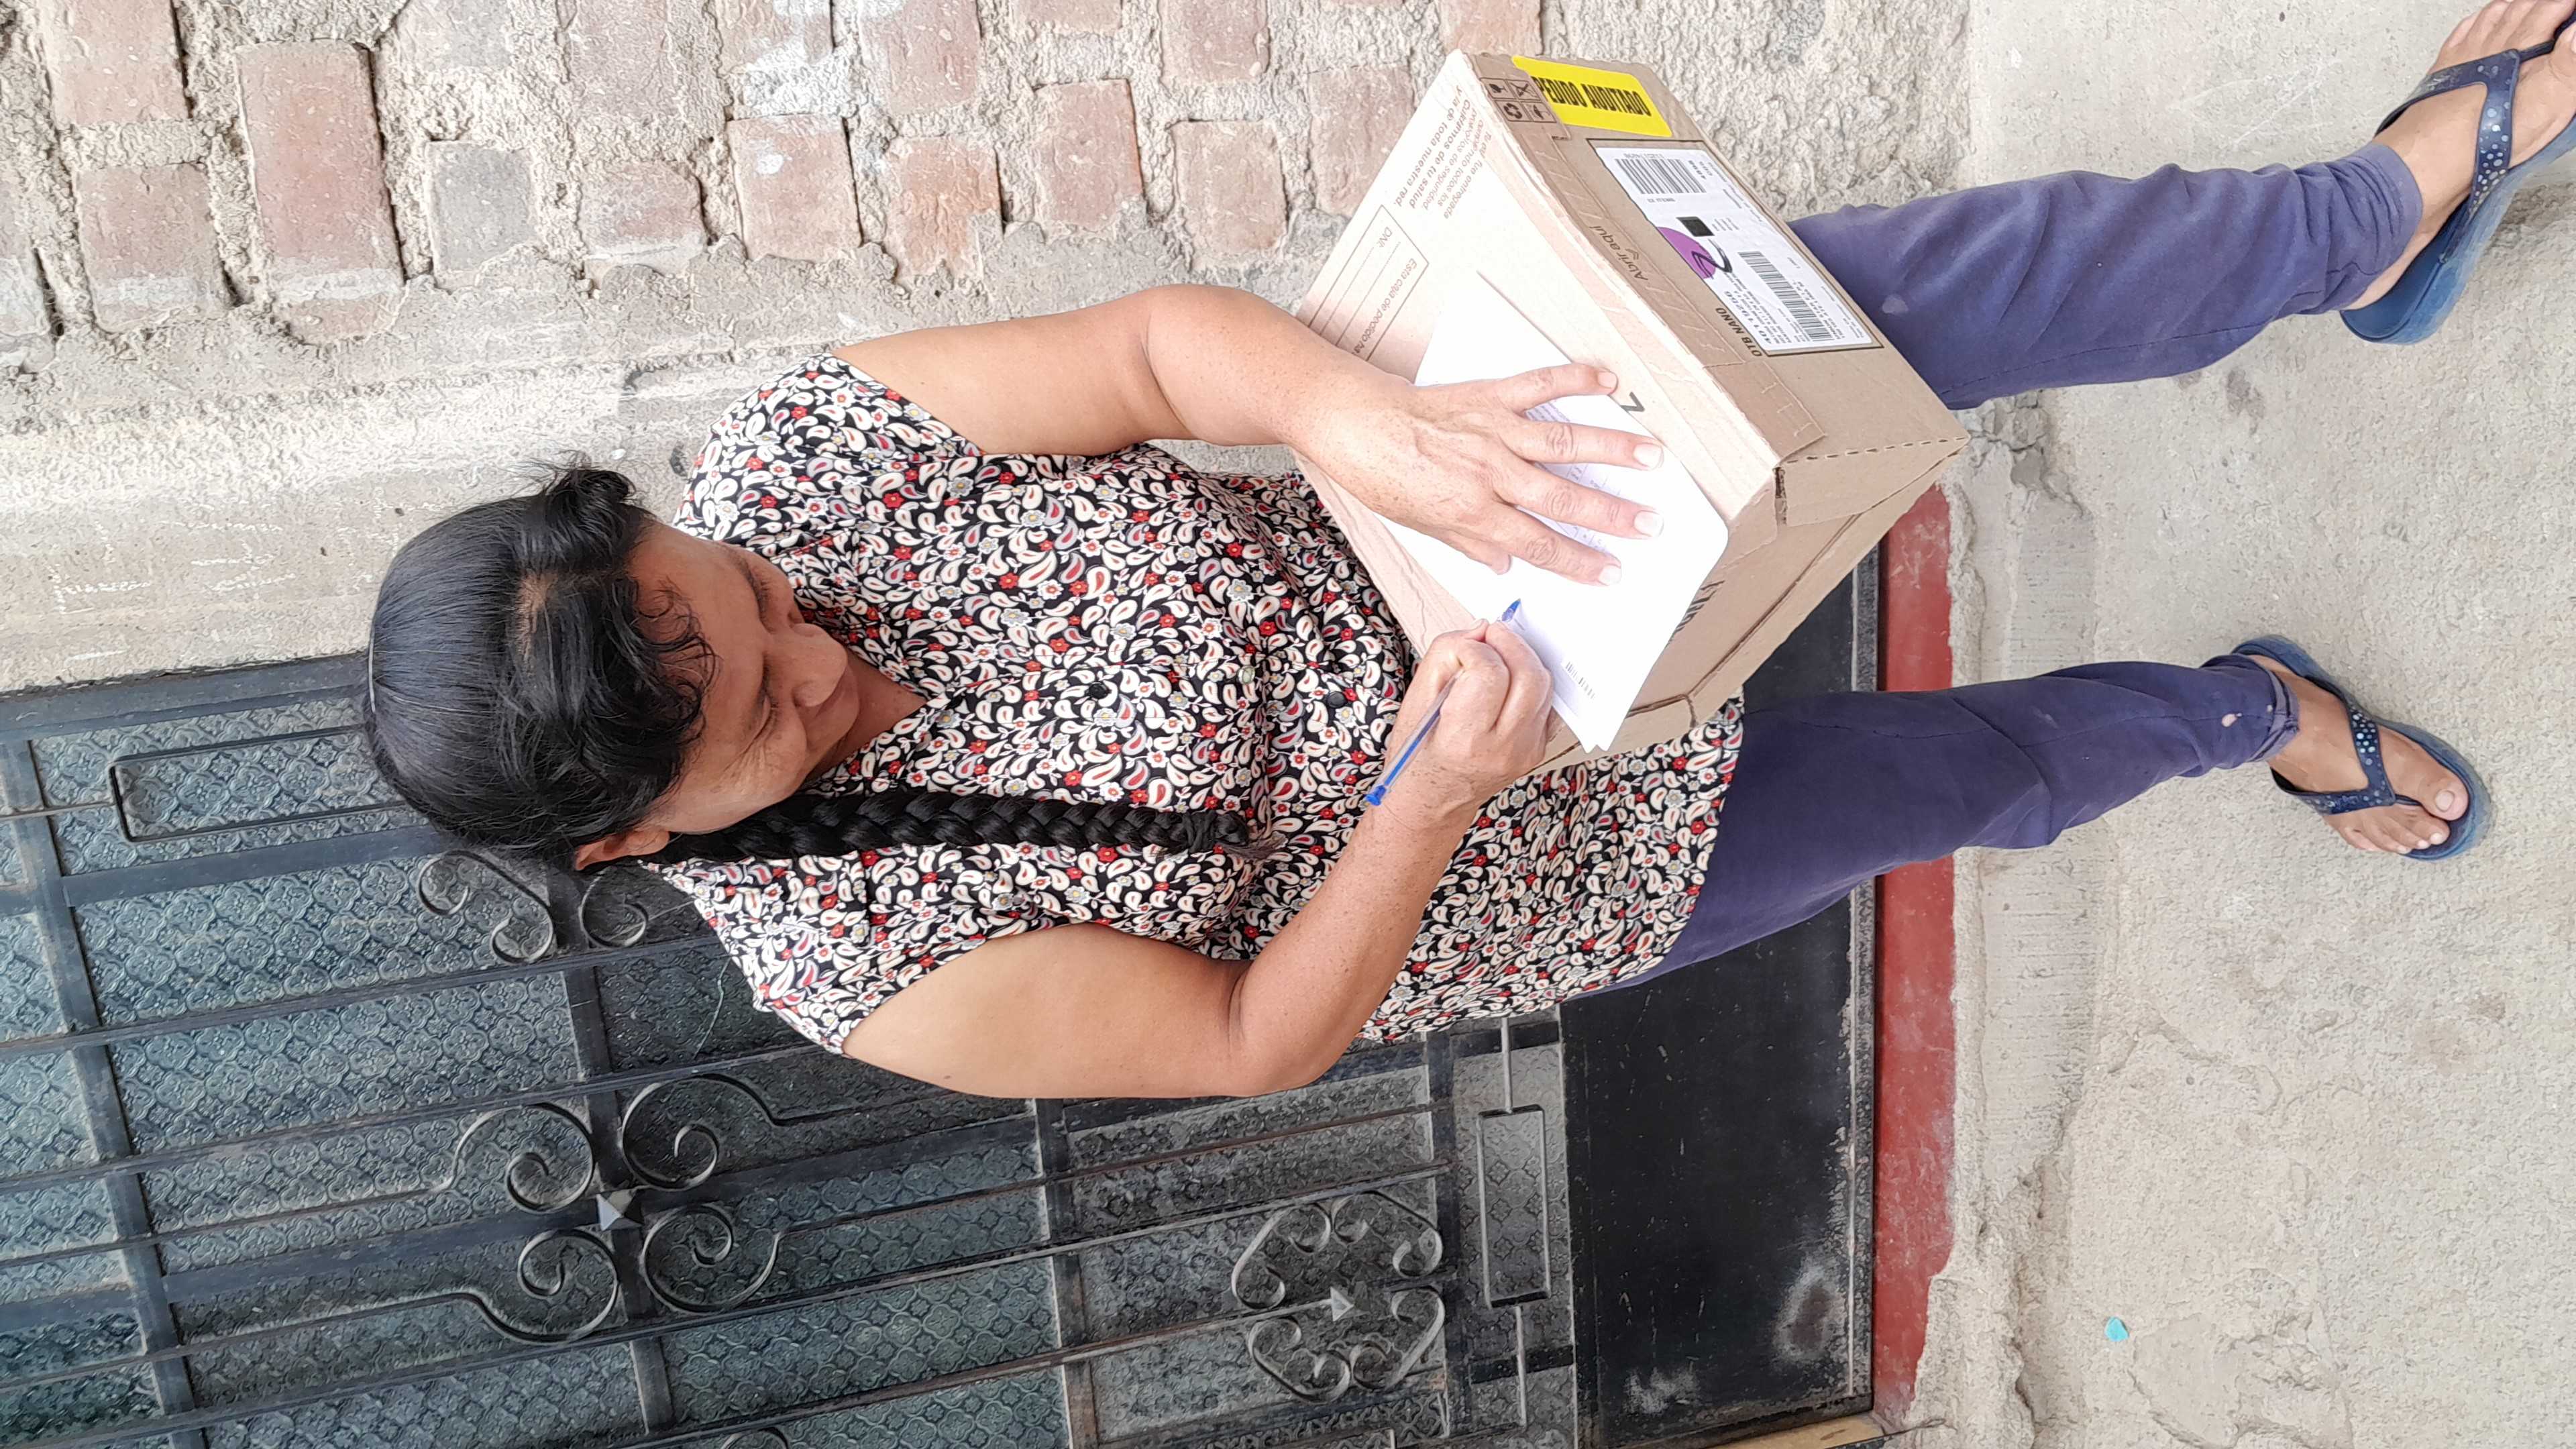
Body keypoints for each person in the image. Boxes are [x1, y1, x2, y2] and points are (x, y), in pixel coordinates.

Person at [363, 3, 2569, 1099]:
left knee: (1932, 296)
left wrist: (1348, 415)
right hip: (1539, 843)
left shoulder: (808, 459)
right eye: (767, 719)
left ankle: (2373, 212)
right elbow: (1247, 1038)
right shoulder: (856, 967)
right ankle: (2242, 714)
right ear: (634, 844)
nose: (816, 654)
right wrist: (1432, 794)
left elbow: (1144, 350)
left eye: (749, 602)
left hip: (1496, 478)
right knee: (1964, 783)